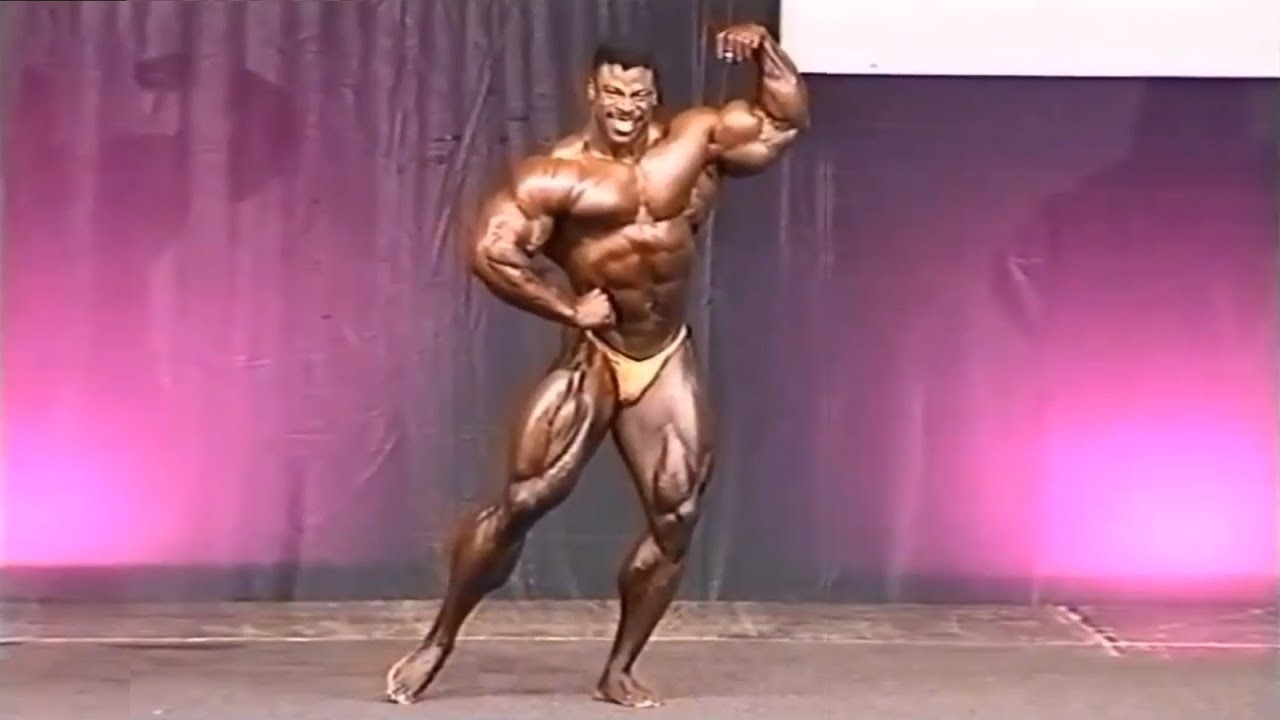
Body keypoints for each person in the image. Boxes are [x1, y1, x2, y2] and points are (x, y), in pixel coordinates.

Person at [386, 22, 809, 708]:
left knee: (677, 516)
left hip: (663, 354)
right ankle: (439, 639)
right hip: (597, 353)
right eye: (613, 94)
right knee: (523, 502)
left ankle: (618, 669)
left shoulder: (694, 143)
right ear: (592, 92)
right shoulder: (556, 174)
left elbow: (781, 124)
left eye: (637, 96)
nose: (625, 108)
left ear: (653, 95)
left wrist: (764, 50)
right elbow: (493, 251)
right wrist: (565, 307)